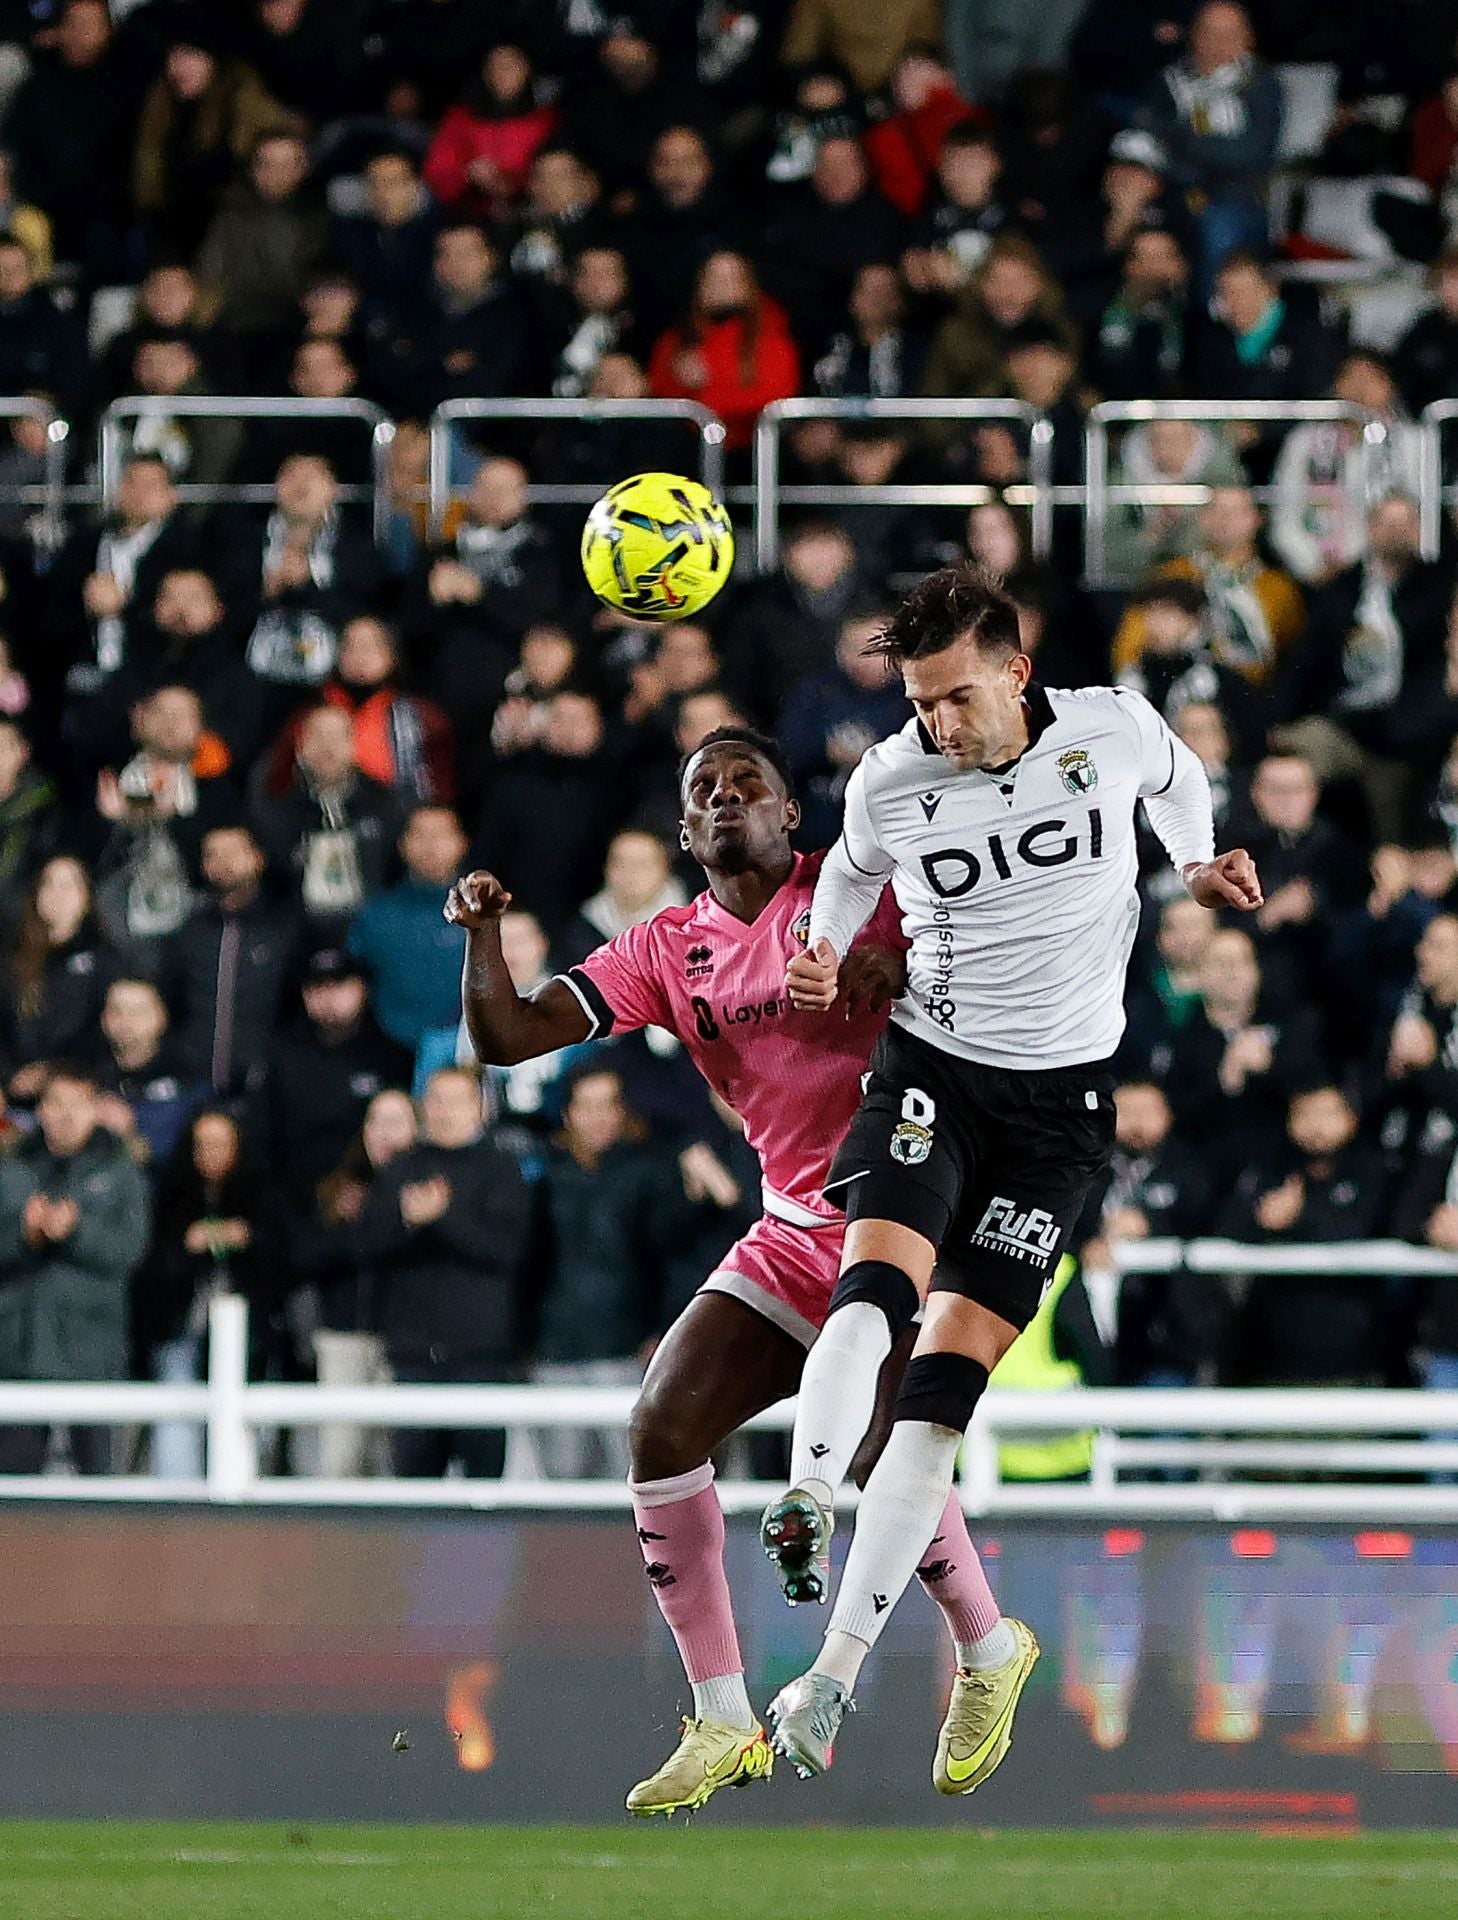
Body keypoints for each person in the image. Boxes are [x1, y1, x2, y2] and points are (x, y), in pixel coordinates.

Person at [761, 564, 1262, 1788]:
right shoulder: (893, 778)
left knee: (937, 1399)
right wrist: (824, 954)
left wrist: (1194, 863)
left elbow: (1177, 779)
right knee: (871, 1292)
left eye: (957, 699)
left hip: (1057, 1115)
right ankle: (806, 1495)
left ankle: (833, 1675)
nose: (939, 725)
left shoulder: (1111, 727)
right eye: (923, 705)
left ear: (1018, 674)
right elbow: (847, 870)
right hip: (932, 1065)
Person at [445, 724, 1005, 1817]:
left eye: (750, 781)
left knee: (890, 1457)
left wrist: (900, 968)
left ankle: (987, 1653)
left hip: (906, 1218)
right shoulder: (666, 948)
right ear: (685, 828)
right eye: (704, 788)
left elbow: (979, 962)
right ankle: (721, 1717)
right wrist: (484, 931)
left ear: (793, 815)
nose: (725, 796)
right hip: (792, 1227)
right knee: (659, 1431)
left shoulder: (863, 884)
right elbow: (506, 1035)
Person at [355, 1065, 533, 1479]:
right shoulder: (401, 1169)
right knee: (414, 1490)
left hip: (481, 1359)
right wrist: (409, 1222)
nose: (444, 1111)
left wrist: (442, 1218)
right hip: (412, 1357)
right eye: (435, 1100)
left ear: (480, 1108)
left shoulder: (502, 1169)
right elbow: (366, 1245)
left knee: (484, 1491)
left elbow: (507, 1250)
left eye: (456, 1100)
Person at [0, 1062, 150, 1473]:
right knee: (16, 1489)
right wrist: (23, 1234)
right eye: (56, 1103)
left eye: (77, 1103)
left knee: (100, 1484)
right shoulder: (11, 1169)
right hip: (18, 1348)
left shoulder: (121, 1170)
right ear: (40, 1110)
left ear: (95, 1108)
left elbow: (129, 1250)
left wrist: (75, 1230)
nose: (66, 1115)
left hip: (92, 1348)